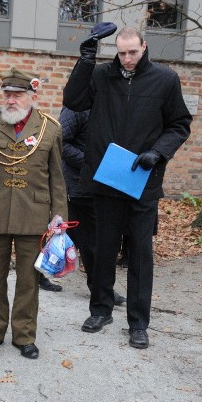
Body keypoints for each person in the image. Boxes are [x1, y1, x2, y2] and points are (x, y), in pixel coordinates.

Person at [63, 24, 191, 349]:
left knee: (139, 254)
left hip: (142, 183)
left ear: (144, 47)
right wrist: (86, 61)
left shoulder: (165, 80)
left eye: (133, 52)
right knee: (103, 249)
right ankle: (101, 309)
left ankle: (138, 322)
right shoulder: (102, 76)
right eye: (121, 53)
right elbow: (73, 100)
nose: (127, 59)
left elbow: (179, 124)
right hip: (105, 179)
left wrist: (158, 152)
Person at [0, 68, 66, 359]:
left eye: (18, 95)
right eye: (7, 94)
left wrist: (59, 216)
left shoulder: (50, 128)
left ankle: (24, 335)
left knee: (29, 279)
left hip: (35, 213)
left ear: (32, 96)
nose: (11, 100)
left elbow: (57, 177)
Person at [58, 106, 125, 307]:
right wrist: (90, 163)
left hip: (102, 184)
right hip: (80, 185)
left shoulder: (108, 105)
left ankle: (39, 272)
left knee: (75, 237)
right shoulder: (77, 107)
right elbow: (60, 142)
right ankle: (101, 290)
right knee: (92, 242)